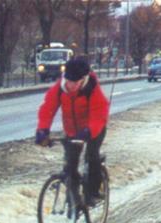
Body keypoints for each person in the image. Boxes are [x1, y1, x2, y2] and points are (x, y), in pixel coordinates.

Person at [35, 56, 110, 205]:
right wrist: (43, 130)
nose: (71, 85)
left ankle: (94, 192)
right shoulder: (60, 88)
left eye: (75, 82)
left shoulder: (92, 89)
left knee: (92, 156)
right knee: (70, 164)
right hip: (72, 131)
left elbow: (99, 113)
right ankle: (74, 199)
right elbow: (47, 109)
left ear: (84, 79)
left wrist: (89, 130)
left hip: (94, 129)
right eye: (69, 81)